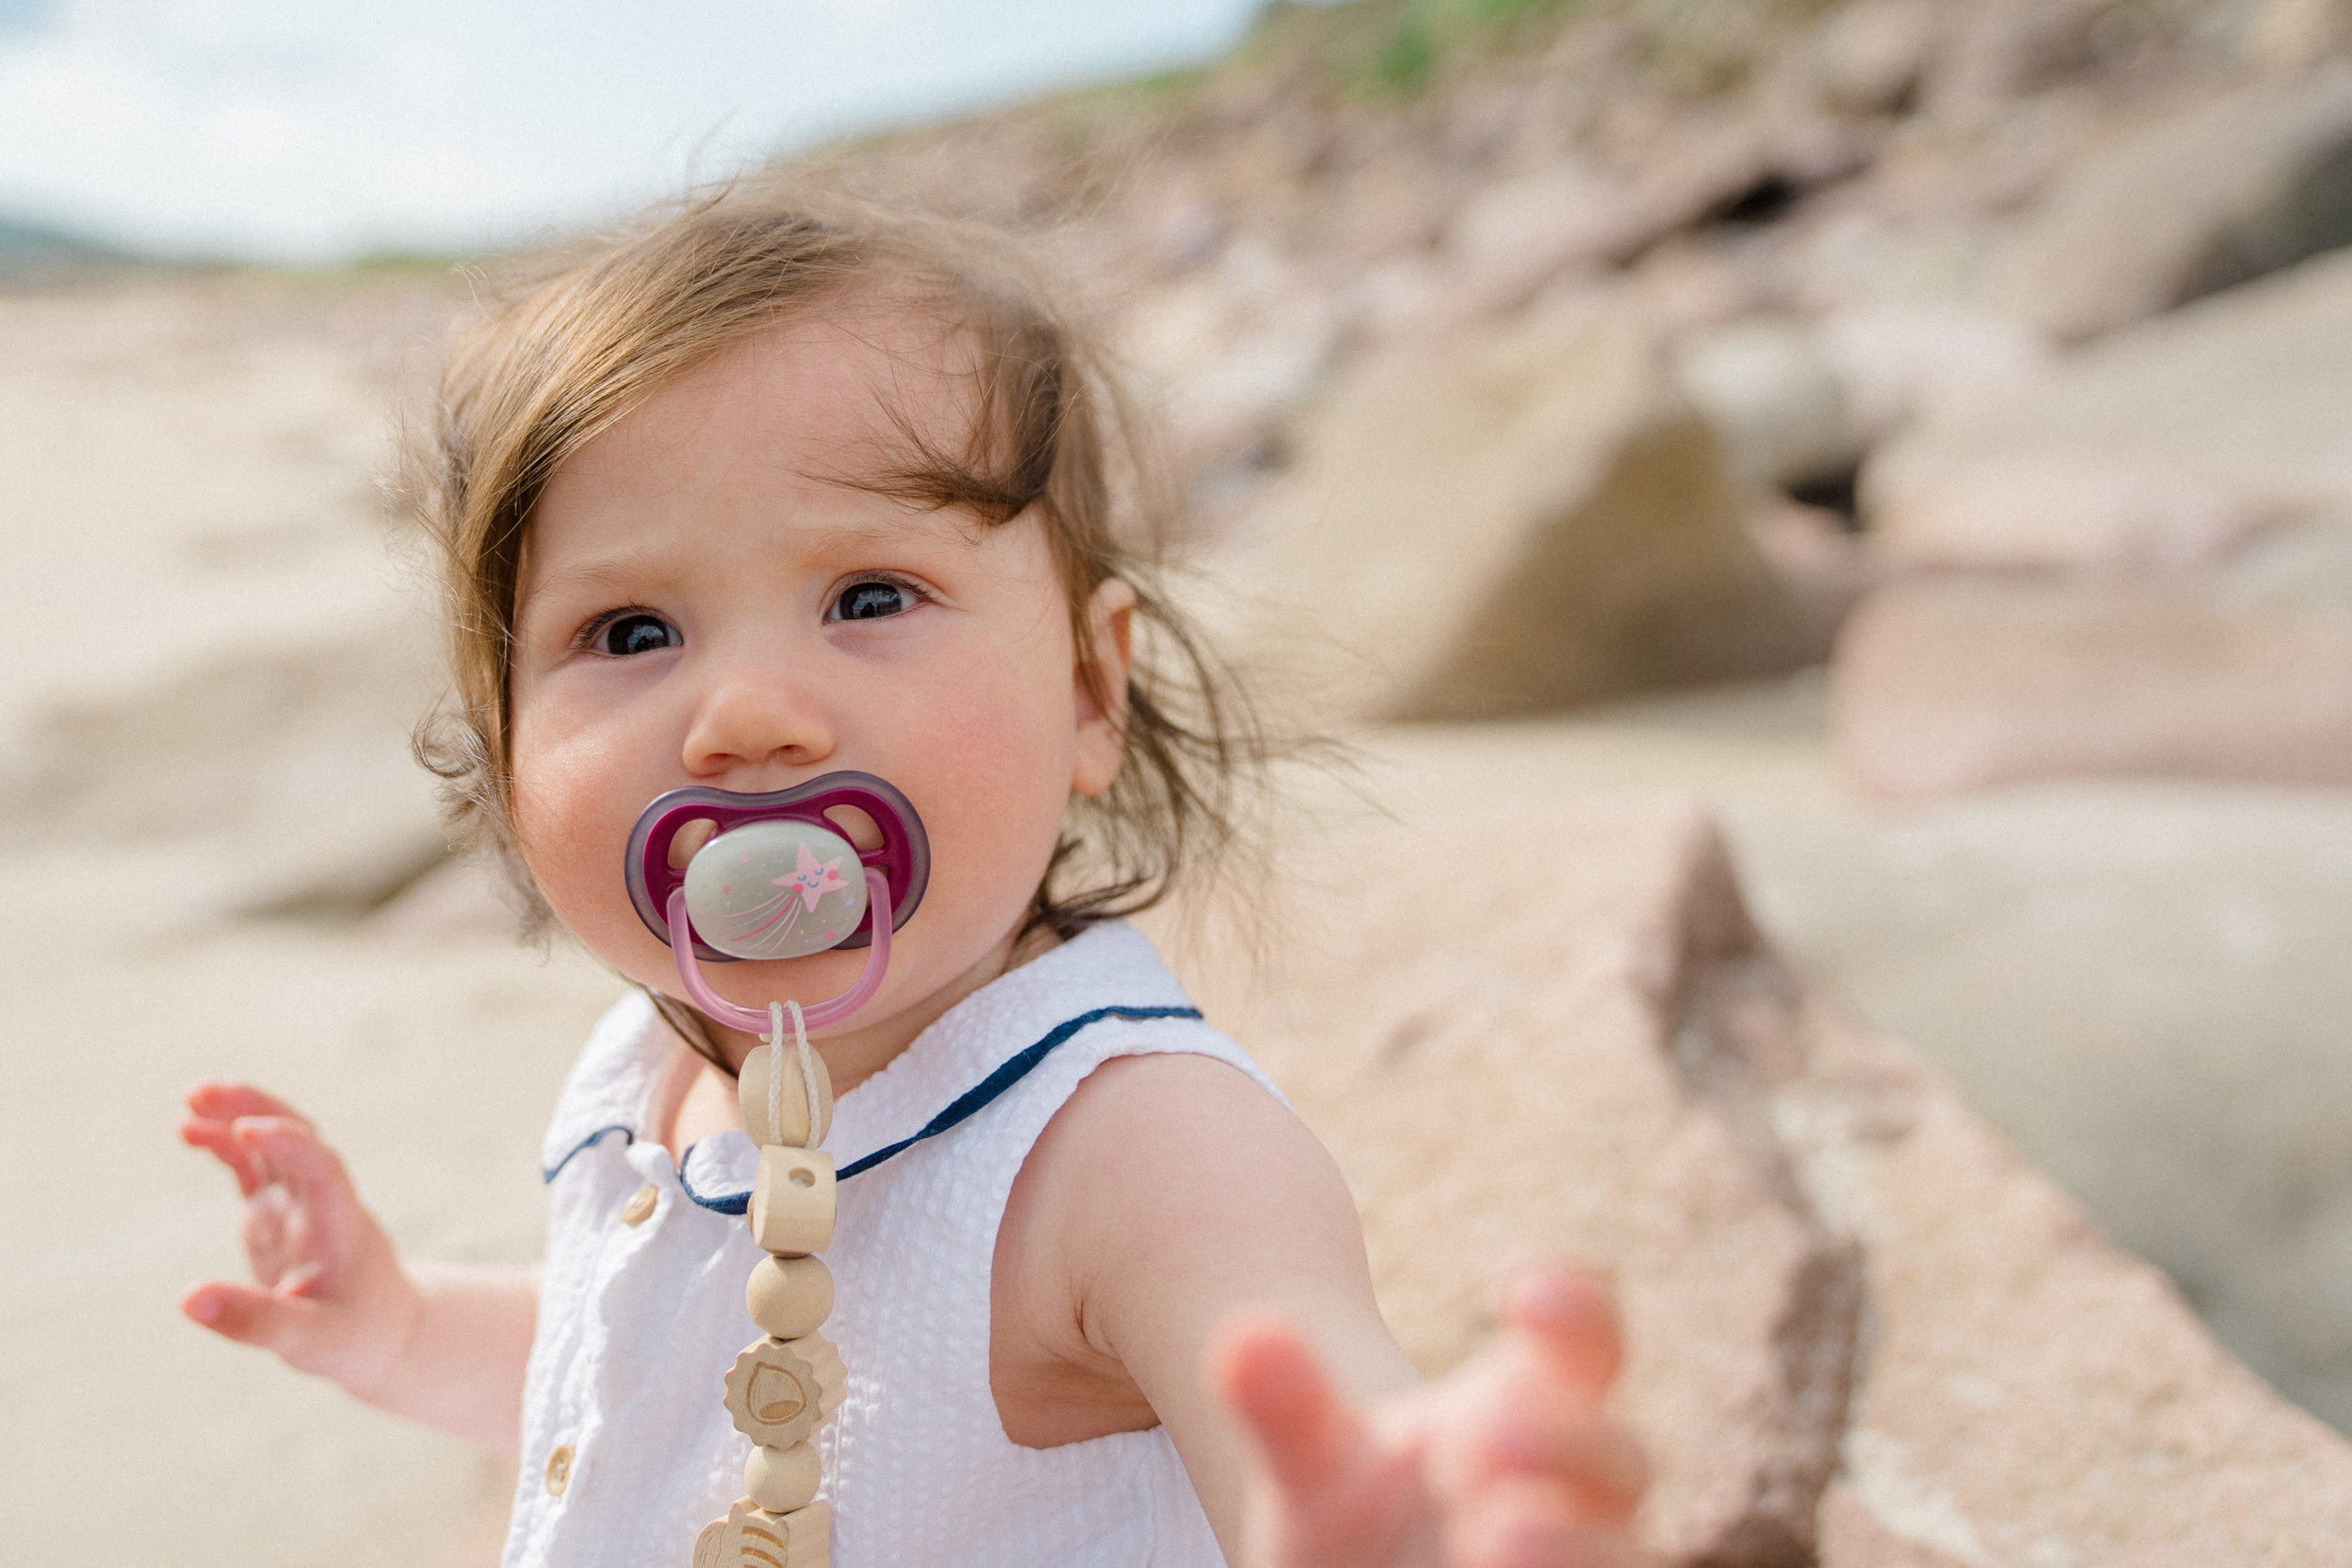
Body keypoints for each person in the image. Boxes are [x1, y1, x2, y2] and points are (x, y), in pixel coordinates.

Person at [178, 190, 1650, 1568]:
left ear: (1089, 690)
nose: (747, 710)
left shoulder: (1131, 1147)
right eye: (630, 633)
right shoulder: (649, 1070)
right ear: (504, 750)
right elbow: (652, 1383)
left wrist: (1388, 1513)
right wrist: (398, 1324)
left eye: (869, 597)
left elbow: (1289, 1382)